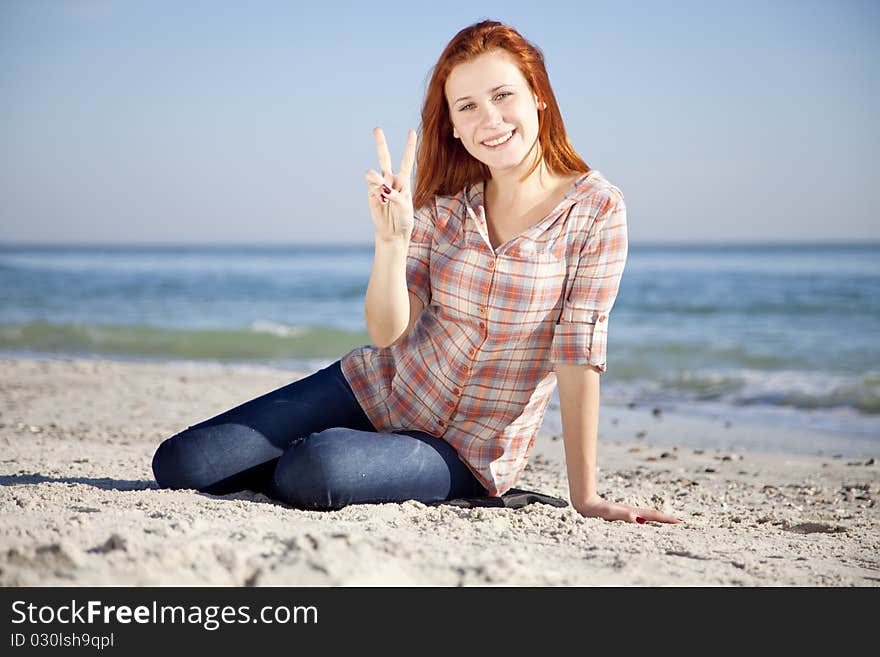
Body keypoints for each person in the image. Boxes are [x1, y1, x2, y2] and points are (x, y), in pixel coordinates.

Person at [151, 19, 679, 525]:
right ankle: (313, 457)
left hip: (465, 448)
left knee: (318, 468)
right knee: (181, 464)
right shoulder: (445, 204)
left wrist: (584, 496)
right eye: (467, 106)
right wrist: (391, 240)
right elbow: (387, 333)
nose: (489, 120)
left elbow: (578, 352)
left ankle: (329, 461)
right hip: (375, 388)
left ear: (537, 93)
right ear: (452, 123)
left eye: (503, 96)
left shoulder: (596, 209)